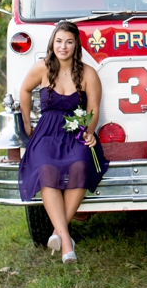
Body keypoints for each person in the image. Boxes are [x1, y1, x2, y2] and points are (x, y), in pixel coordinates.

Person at [17, 21, 109, 263]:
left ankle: (59, 232)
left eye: (69, 41)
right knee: (46, 169)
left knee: (80, 165)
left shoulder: (88, 73)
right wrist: (26, 123)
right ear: (52, 43)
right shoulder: (42, 68)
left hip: (76, 133)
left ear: (76, 44)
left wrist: (89, 132)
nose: (63, 46)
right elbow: (24, 91)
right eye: (59, 41)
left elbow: (93, 109)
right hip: (46, 134)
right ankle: (67, 242)